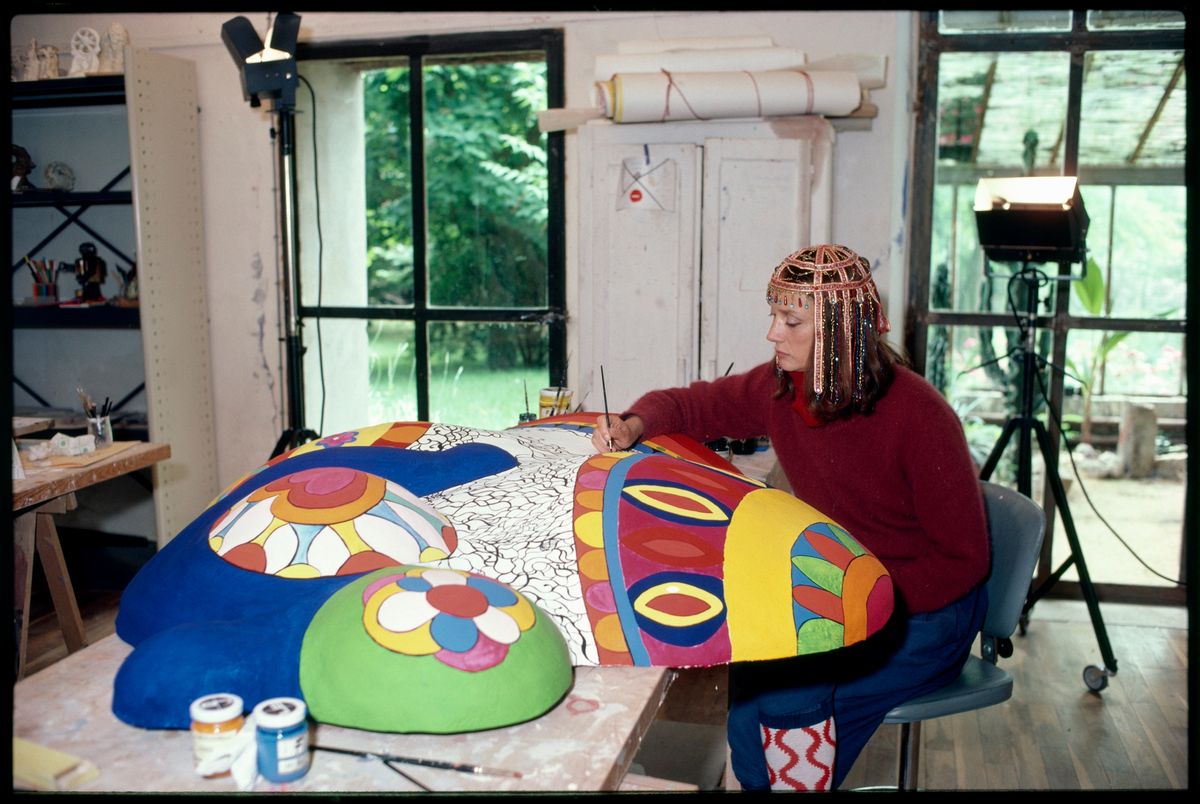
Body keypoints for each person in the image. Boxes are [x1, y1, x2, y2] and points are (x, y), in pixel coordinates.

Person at [593, 243, 990, 791]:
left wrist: (850, 601)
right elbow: (689, 406)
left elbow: (962, 562)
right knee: (754, 686)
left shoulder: (919, 416)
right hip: (838, 587)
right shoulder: (783, 388)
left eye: (791, 319)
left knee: (788, 690)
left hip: (922, 612)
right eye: (775, 315)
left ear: (840, 331)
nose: (772, 333)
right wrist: (634, 424)